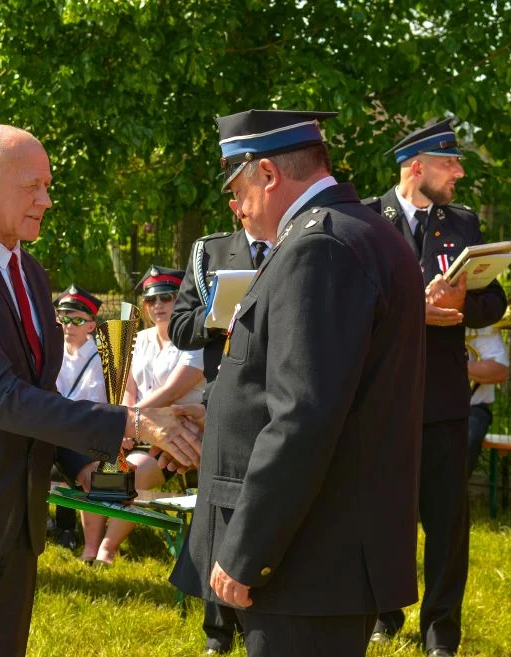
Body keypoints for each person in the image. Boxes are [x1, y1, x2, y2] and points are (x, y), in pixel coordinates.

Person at [0, 124, 202, 657]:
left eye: (48, 184)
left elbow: (41, 391)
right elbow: (2, 398)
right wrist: (132, 422)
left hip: (18, 520)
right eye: (32, 186)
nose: (47, 199)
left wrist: (83, 463)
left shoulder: (31, 273)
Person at [170, 109, 426, 657]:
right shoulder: (358, 230)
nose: (235, 208)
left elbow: (303, 417)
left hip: (306, 558)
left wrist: (247, 552)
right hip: (317, 549)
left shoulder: (318, 248)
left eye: (236, 190)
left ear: (267, 173)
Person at [364, 118, 508, 657]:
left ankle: (441, 633)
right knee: (380, 513)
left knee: (447, 525)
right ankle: (383, 612)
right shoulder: (365, 222)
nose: (460, 172)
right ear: (416, 166)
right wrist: (411, 311)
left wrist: (461, 307)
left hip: (446, 399)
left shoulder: (463, 224)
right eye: (450, 163)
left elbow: (495, 303)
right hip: (382, 400)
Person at [171, 222, 270, 654]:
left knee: (262, 505)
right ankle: (217, 628)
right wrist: (216, 316)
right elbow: (179, 326)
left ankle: (257, 615)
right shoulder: (209, 252)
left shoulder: (293, 241)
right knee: (216, 510)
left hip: (272, 400)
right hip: (223, 402)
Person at [84, 266, 205, 567]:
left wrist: (128, 424)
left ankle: (107, 550)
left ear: (183, 299)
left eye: (167, 297)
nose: (158, 306)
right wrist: (126, 424)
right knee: (95, 468)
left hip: (176, 434)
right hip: (137, 428)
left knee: (129, 474)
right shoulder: (141, 338)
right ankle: (88, 550)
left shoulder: (195, 339)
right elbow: (128, 390)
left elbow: (171, 392)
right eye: (151, 300)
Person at [49, 285, 108, 561]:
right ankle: (46, 527)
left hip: (90, 433)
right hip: (56, 428)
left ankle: (68, 531)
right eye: (63, 318)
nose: (68, 326)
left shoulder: (103, 358)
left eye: (77, 320)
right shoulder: (52, 351)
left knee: (76, 460)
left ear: (92, 325)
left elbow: (103, 404)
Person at [465, 326, 510, 478]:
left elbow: (500, 370)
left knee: (463, 442)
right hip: (425, 408)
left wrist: (455, 364)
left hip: (472, 409)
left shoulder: (480, 322)